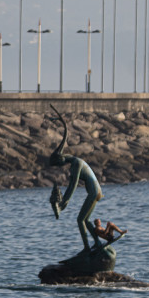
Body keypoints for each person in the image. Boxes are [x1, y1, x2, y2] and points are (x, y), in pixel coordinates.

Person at [47, 106, 103, 252]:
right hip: (95, 192)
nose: (61, 166)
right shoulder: (74, 162)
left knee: (81, 220)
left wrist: (63, 203)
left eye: (59, 164)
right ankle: (96, 244)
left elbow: (73, 185)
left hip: (94, 193)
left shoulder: (76, 164)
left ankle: (87, 248)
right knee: (86, 220)